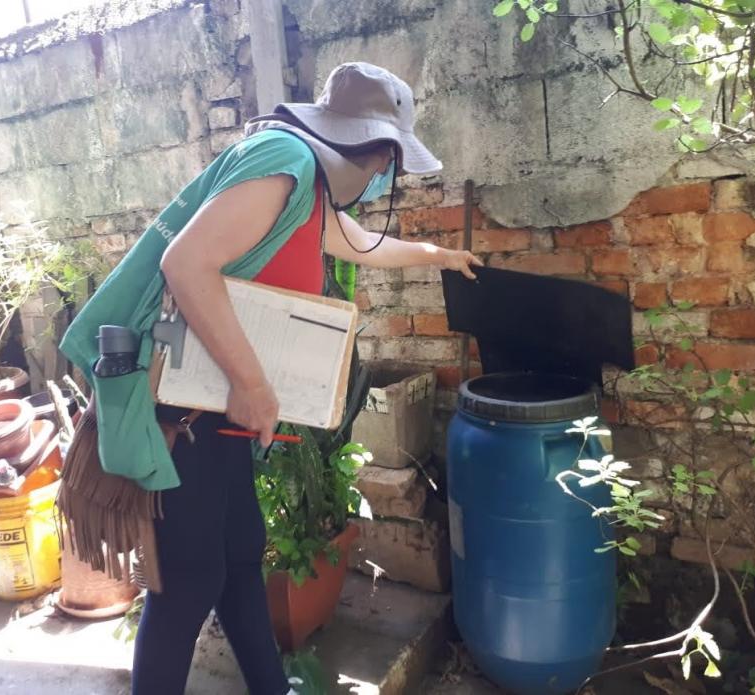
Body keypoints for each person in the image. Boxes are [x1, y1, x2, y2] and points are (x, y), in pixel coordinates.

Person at [84, 62, 481, 694]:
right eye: (387, 161)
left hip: (216, 411)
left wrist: (438, 255)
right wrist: (254, 385)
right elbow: (186, 264)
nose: (383, 176)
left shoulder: (307, 188)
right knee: (188, 583)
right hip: (183, 412)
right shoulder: (284, 160)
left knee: (241, 559)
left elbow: (356, 242)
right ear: (370, 144)